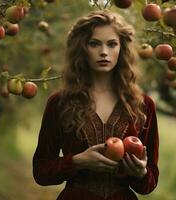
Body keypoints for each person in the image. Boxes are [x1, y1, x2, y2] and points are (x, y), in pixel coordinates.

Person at [32, 10, 159, 200]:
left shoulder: (143, 105)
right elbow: (41, 171)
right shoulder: (60, 103)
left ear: (122, 49)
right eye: (94, 43)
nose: (104, 52)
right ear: (82, 48)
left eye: (112, 44)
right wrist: (77, 162)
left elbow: (150, 183)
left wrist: (140, 173)